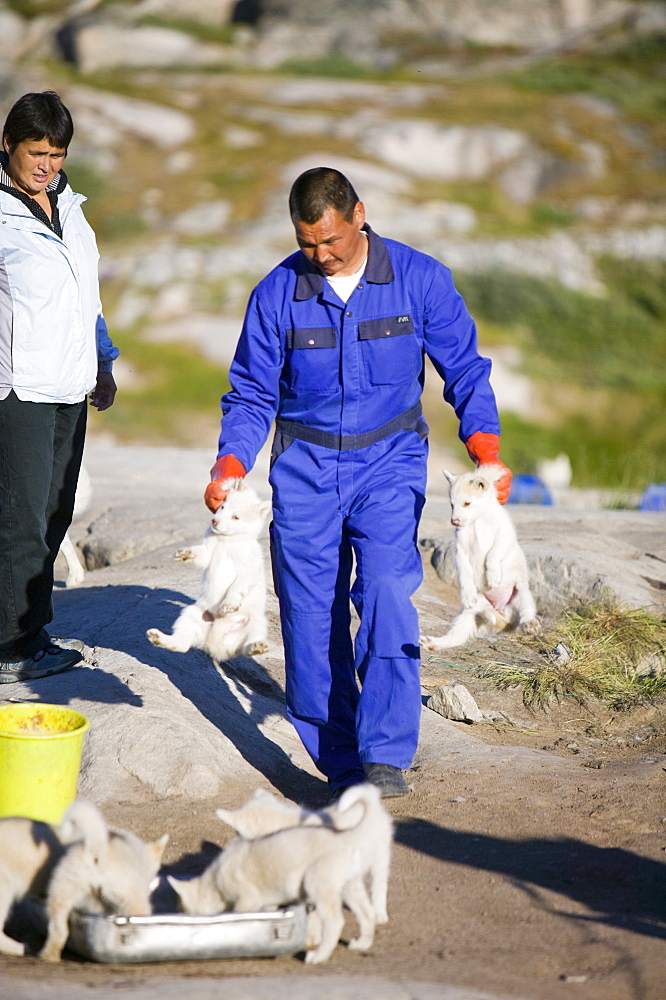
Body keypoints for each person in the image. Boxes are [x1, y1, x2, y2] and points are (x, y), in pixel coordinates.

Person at [204, 167, 511, 799]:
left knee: (386, 594)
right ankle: (341, 763)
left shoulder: (420, 279)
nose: (319, 256)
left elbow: (466, 371)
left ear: (359, 215)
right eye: (307, 244)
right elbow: (253, 394)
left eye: (331, 243)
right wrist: (231, 464)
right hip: (306, 469)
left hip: (389, 459)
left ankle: (385, 755)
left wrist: (485, 448)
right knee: (311, 616)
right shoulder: (275, 294)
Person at [0, 91, 118, 683]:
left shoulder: (70, 206)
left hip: (71, 385)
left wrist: (104, 360)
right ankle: (8, 646)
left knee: (53, 512)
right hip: (16, 390)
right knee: (18, 518)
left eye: (57, 153)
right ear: (8, 146)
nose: (47, 164)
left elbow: (85, 296)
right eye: (36, 152)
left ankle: (32, 630)